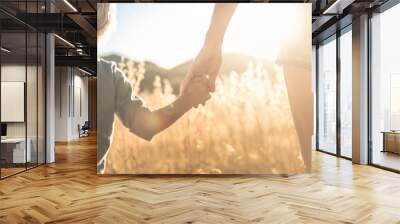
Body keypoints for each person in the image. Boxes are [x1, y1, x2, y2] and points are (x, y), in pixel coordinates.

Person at [96, 3, 236, 174]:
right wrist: (188, 99)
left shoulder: (105, 72)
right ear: (105, 19)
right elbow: (145, 125)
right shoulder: (108, 74)